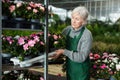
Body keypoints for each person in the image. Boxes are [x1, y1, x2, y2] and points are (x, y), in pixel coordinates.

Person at [52, 6, 93, 80]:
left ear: (83, 21)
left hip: (81, 70)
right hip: (70, 68)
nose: (73, 21)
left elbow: (82, 57)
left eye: (77, 19)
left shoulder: (87, 34)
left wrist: (64, 51)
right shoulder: (67, 30)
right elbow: (59, 44)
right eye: (72, 17)